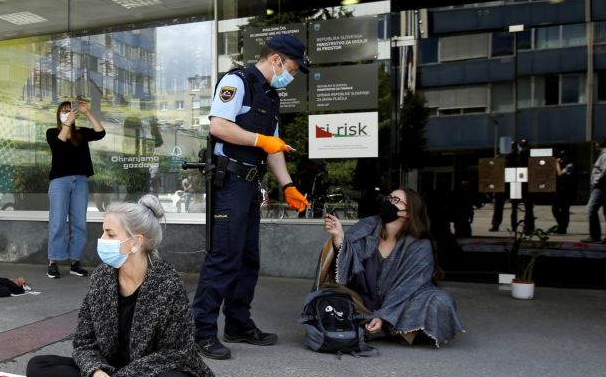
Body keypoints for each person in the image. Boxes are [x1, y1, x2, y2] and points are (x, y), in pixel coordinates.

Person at [26, 195, 220, 377]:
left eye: (109, 234)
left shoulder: (167, 283)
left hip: (151, 373)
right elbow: (84, 341)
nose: (102, 240)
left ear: (135, 243)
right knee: (38, 367)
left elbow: (176, 352)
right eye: (103, 233)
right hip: (109, 368)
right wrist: (95, 370)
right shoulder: (101, 278)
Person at [191, 34, 310, 360]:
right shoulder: (237, 81)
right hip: (228, 181)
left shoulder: (269, 95)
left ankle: (238, 323)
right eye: (293, 68)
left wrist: (288, 186)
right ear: (276, 59)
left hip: (249, 185)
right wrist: (261, 140)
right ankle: (200, 332)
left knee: (247, 258)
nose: (293, 74)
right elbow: (219, 127)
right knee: (224, 257)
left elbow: (273, 147)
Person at [322, 188, 463, 346]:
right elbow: (347, 267)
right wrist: (339, 238)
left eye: (395, 201)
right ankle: (393, 330)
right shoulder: (366, 227)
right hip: (364, 300)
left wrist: (384, 314)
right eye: (388, 198)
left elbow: (410, 286)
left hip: (402, 303)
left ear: (407, 213)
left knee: (440, 301)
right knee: (326, 297)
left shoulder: (419, 244)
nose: (387, 202)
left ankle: (379, 326)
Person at [46, 97, 105, 279]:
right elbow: (58, 145)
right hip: (60, 181)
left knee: (79, 222)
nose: (67, 114)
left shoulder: (81, 133)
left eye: (69, 110)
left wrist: (87, 112)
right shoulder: (52, 132)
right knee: (57, 221)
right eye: (63, 111)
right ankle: (53, 261)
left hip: (80, 180)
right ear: (59, 115)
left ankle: (75, 261)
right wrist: (67, 124)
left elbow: (100, 132)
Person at [490, 138, 533, 233]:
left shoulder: (521, 154)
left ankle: (514, 225)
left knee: (514, 205)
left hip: (515, 180)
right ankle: (496, 224)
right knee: (500, 204)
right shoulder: (503, 155)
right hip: (505, 180)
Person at [582, 137, 606, 243]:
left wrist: (596, 182)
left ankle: (595, 235)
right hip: (602, 185)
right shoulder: (603, 154)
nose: (595, 144)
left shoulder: (605, 155)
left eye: (596, 143)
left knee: (591, 209)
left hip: (601, 186)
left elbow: (604, 171)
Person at [552, 149, 575, 234]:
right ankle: (560, 224)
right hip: (558, 190)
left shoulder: (570, 165)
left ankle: (563, 227)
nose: (562, 158)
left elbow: (560, 174)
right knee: (555, 209)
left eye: (564, 156)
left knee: (565, 210)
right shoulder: (560, 164)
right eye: (561, 156)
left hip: (566, 190)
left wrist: (557, 163)